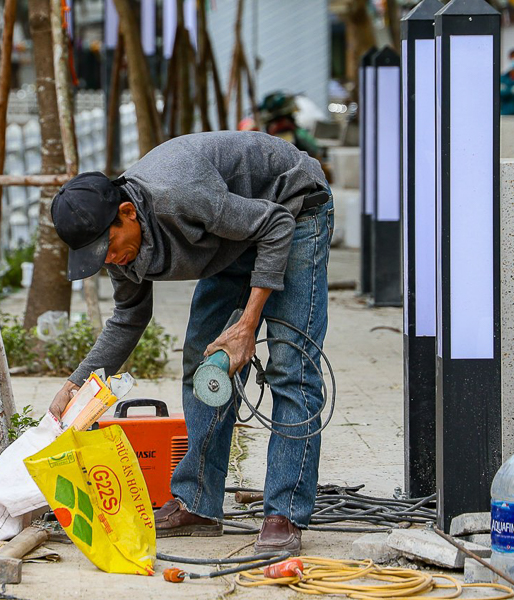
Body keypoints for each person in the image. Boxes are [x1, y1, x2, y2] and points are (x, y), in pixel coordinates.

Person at [48, 131, 332, 555]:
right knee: (203, 366)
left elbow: (275, 224)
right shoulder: (117, 246)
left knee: (291, 367)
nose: (107, 260)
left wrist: (247, 324)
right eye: (96, 256)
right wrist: (76, 384)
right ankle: (198, 503)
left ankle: (284, 513)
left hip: (293, 207)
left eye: (107, 247)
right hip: (236, 230)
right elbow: (128, 318)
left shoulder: (179, 196)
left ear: (127, 212)